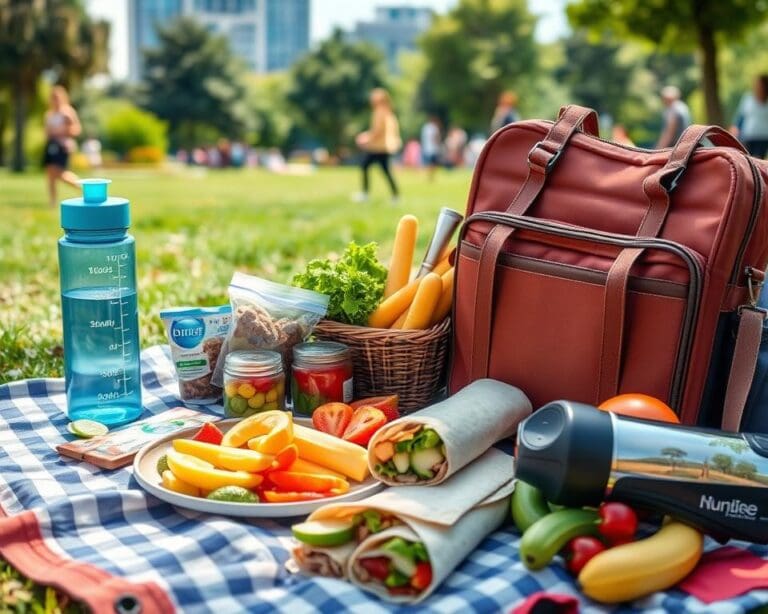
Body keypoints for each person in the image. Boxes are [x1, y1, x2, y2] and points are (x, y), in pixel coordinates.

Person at [354, 88, 402, 203]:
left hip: (378, 147)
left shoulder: (380, 112)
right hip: (383, 147)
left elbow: (378, 131)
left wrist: (366, 138)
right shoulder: (388, 112)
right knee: (384, 171)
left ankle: (365, 194)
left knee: (365, 166)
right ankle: (395, 195)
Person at [43, 85, 81, 207]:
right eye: (53, 98)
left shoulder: (67, 113)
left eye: (57, 98)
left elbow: (76, 129)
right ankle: (52, 202)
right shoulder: (49, 114)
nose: (55, 100)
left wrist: (60, 132)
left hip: (63, 146)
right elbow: (47, 131)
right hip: (51, 146)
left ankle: (82, 187)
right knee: (50, 174)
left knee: (60, 173)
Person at [730, 75, 768, 158]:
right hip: (747, 137)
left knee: (757, 159)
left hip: (763, 138)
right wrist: (735, 129)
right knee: (746, 158)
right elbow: (740, 117)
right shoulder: (748, 98)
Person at [420, 115, 442, 181]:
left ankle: (430, 176)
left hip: (426, 148)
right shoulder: (434, 128)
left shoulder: (425, 127)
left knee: (429, 164)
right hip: (433, 148)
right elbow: (435, 138)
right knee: (433, 164)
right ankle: (431, 176)